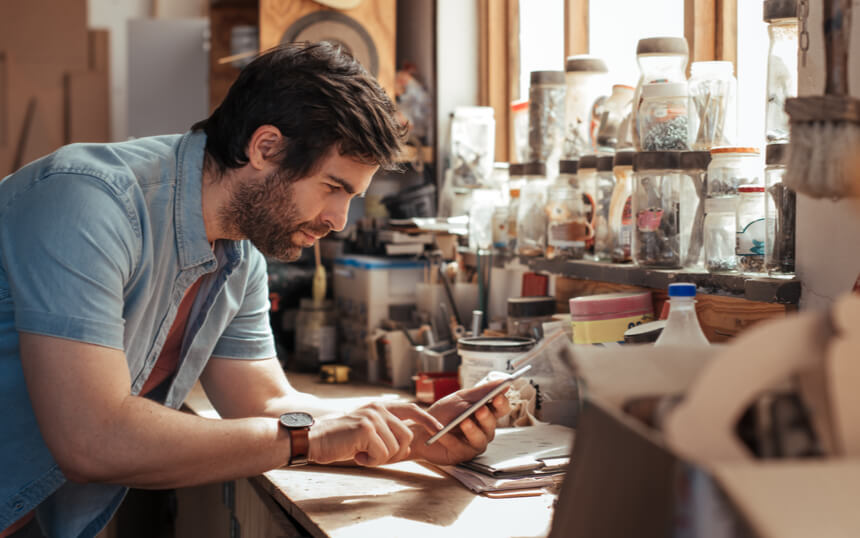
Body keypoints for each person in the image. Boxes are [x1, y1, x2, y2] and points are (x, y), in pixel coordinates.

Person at [0, 42, 511, 538]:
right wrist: (309, 437)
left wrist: (410, 431)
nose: (339, 219)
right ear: (265, 148)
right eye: (333, 188)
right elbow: (92, 441)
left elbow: (266, 406)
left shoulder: (237, 255)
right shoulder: (90, 203)